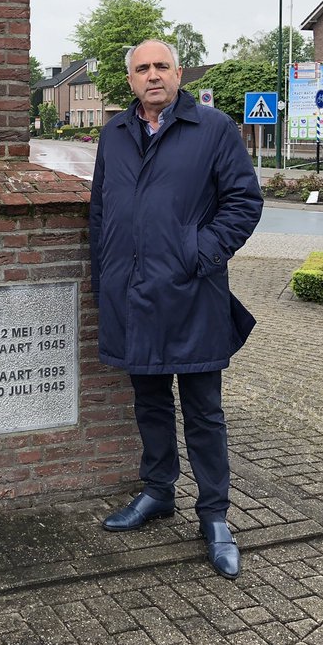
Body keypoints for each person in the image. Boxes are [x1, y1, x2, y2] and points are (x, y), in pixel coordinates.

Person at [89, 40, 263, 578]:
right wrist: (105, 281)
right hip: (133, 296)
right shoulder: (113, 134)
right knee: (150, 401)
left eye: (162, 65)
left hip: (193, 295)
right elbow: (100, 212)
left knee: (204, 412)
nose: (153, 75)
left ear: (179, 73)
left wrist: (200, 252)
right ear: (131, 80)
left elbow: (244, 202)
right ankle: (158, 491)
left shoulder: (212, 128)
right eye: (142, 68)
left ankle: (214, 516)